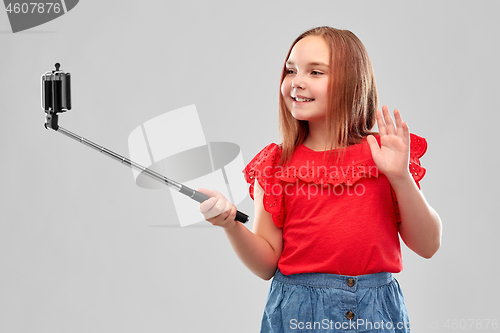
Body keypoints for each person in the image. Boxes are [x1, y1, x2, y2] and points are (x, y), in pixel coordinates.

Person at [197, 26, 441, 333]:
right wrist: (230, 223)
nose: (296, 82)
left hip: (375, 314)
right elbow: (266, 264)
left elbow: (428, 244)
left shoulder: (385, 156)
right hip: (298, 314)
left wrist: (401, 177)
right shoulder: (275, 165)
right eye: (290, 70)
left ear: (352, 82)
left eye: (315, 72)